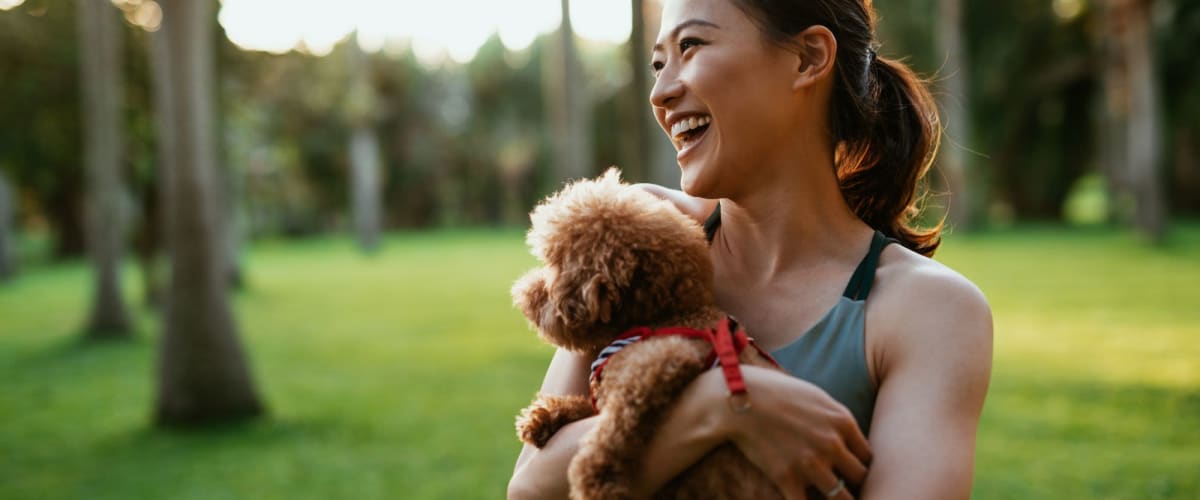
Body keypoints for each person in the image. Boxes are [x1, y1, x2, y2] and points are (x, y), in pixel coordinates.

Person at [507, 0, 993, 498]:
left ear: (807, 58)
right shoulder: (640, 237)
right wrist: (720, 405)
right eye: (658, 63)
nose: (660, 91)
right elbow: (529, 489)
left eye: (690, 46)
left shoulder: (929, 311)